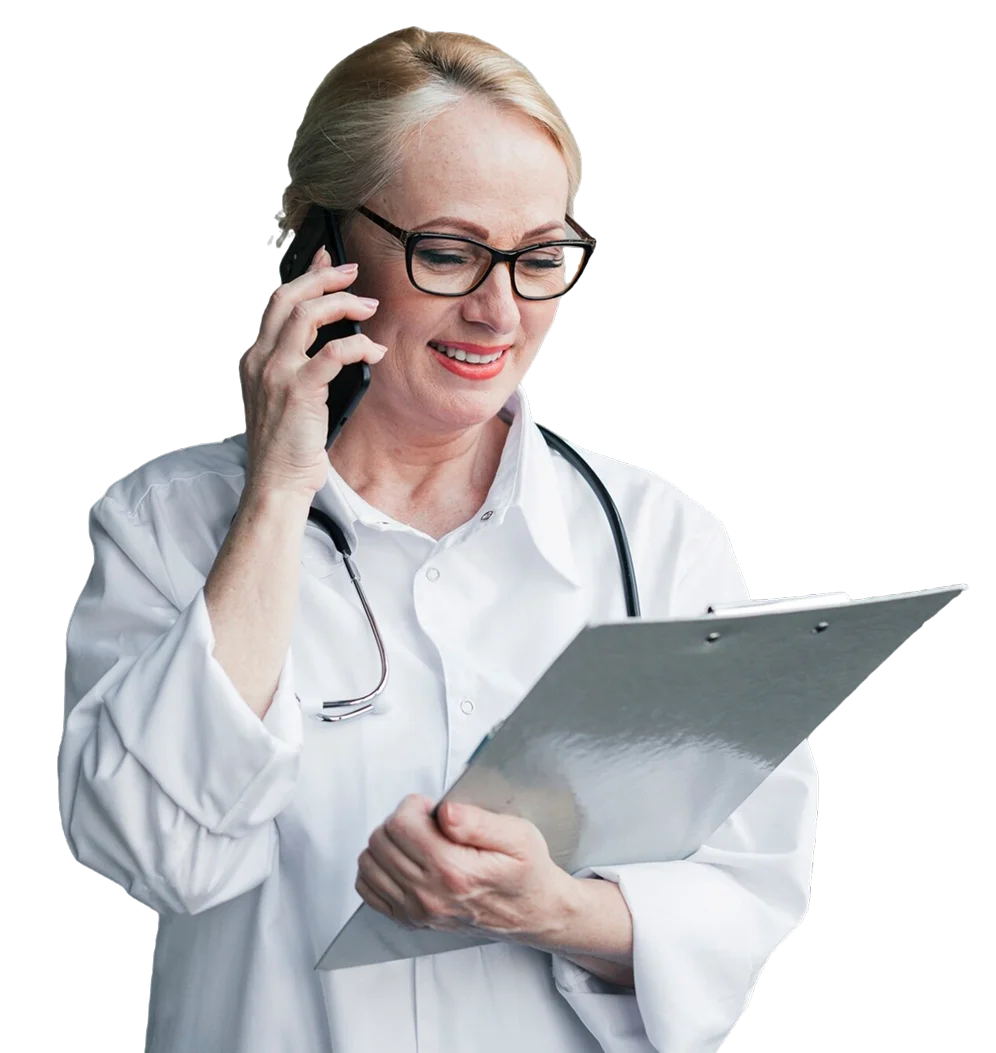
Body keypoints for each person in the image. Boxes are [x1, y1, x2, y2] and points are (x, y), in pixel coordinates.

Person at [58, 28, 818, 1053]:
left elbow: (752, 893)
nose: (499, 311)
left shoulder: (660, 539)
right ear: (318, 248)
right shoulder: (167, 522)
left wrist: (551, 907)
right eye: (450, 254)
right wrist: (276, 492)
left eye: (540, 259)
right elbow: (155, 855)